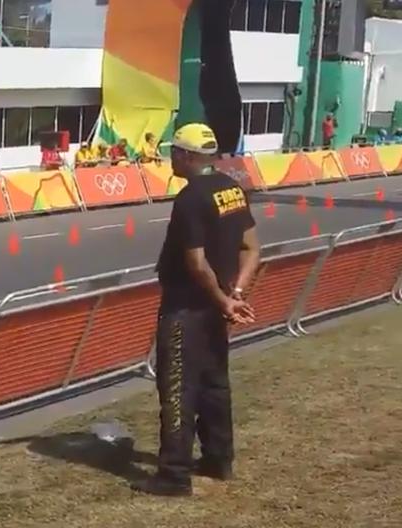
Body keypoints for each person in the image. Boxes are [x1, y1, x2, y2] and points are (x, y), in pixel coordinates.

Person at [132, 122, 260, 497]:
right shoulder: (232, 189)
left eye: (174, 152)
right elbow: (252, 248)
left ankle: (173, 474)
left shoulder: (190, 198)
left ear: (188, 156)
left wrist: (224, 300)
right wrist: (234, 294)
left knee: (177, 390)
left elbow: (195, 262)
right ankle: (219, 458)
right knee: (214, 384)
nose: (170, 158)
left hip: (185, 308)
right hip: (216, 308)